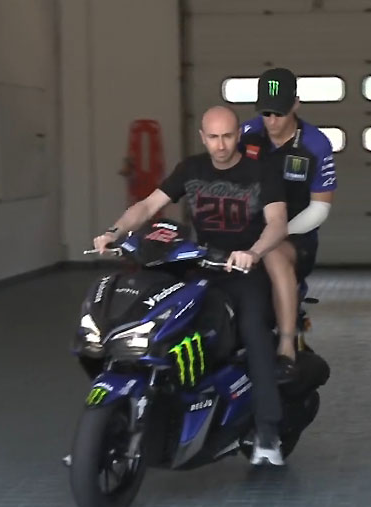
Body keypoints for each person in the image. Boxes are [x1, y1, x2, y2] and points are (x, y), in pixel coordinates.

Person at [93, 106, 290, 465]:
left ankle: (267, 432)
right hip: (199, 265)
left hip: (243, 270)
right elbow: (148, 205)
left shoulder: (261, 171)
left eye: (227, 136)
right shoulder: (191, 169)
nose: (220, 145)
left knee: (254, 331)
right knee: (159, 316)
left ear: (238, 135)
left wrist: (253, 252)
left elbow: (277, 222)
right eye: (213, 137)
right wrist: (114, 231)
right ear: (203, 137)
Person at [239, 68, 338, 373]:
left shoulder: (316, 144)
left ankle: (286, 345)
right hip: (248, 230)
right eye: (266, 113)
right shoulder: (246, 134)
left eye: (279, 113)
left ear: (296, 104)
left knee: (273, 255)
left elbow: (319, 209)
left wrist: (277, 233)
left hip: (295, 235)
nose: (271, 121)